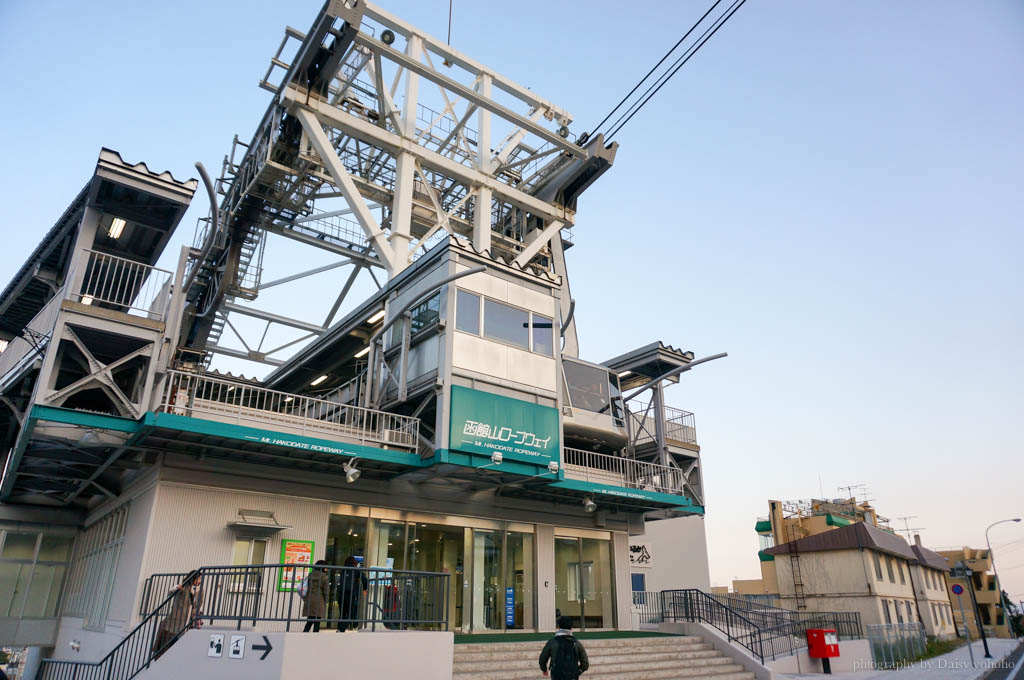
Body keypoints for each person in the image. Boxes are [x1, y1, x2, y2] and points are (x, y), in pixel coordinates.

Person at [151, 570, 203, 660]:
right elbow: (171, 591)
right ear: (194, 578)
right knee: (166, 647)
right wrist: (176, 587)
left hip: (186, 624)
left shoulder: (200, 591)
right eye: (199, 578)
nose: (200, 581)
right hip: (175, 623)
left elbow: (197, 606)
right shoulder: (184, 587)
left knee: (177, 650)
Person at [335, 555, 368, 632]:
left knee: (342, 613)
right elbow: (364, 579)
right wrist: (364, 588)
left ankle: (339, 629)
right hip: (351, 594)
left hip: (341, 594)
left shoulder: (343, 570)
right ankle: (342, 629)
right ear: (354, 562)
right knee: (351, 614)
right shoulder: (356, 570)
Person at [301, 560, 329, 632]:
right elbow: (326, 591)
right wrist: (326, 601)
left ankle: (304, 635)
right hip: (319, 601)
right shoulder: (325, 577)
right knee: (317, 623)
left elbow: (304, 587)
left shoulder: (310, 575)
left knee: (309, 621)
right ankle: (315, 638)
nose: (327, 569)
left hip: (309, 600)